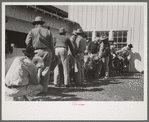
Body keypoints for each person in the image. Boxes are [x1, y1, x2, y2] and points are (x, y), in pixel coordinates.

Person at [25, 16, 55, 93]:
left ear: (35, 24)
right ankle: (44, 89)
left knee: (34, 70)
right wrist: (53, 54)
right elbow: (51, 45)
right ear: (42, 24)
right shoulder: (48, 31)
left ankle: (35, 89)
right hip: (47, 52)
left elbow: (27, 42)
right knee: (45, 70)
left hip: (36, 52)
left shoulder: (32, 31)